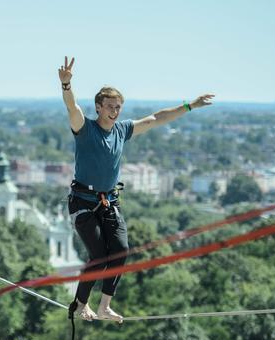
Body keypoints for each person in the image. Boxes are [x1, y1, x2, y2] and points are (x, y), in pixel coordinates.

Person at [59, 56, 214, 323]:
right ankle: (81, 304)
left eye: (119, 107)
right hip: (83, 202)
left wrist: (190, 105)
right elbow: (72, 107)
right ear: (98, 107)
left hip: (108, 202)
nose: (115, 111)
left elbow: (156, 118)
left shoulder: (122, 130)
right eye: (110, 106)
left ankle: (105, 305)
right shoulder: (85, 129)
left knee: (120, 251)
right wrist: (66, 84)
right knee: (98, 255)